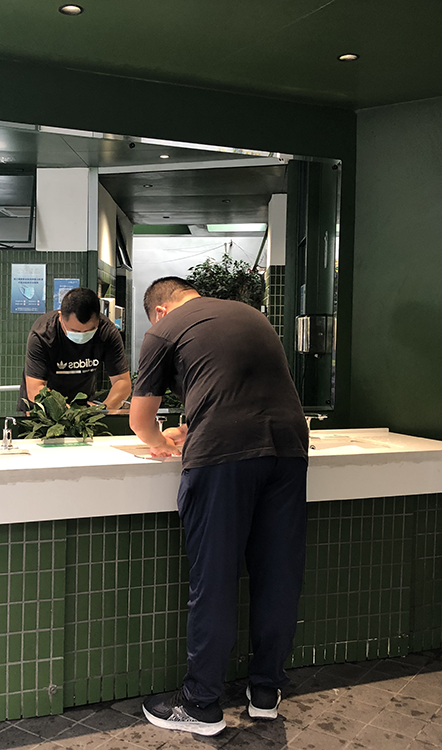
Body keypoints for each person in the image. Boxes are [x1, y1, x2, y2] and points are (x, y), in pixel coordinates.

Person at [129, 276, 308, 736]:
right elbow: (238, 389)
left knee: (215, 578)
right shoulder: (252, 316)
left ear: (159, 310)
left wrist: (160, 441)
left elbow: (140, 420)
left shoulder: (163, 329)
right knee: (278, 575)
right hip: (289, 448)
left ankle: (201, 703)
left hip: (224, 456)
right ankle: (265, 692)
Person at [19, 287, 131, 411]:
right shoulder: (43, 334)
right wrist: (70, 414)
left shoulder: (107, 332)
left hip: (84, 406)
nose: (82, 335)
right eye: (75, 331)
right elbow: (35, 388)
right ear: (61, 317)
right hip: (43, 410)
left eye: (90, 330)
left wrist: (102, 410)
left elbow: (122, 382)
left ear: (98, 320)